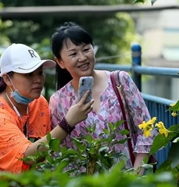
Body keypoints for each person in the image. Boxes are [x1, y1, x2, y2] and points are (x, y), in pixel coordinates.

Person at [0, 43, 94, 187]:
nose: (38, 79)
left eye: (40, 72)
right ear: (7, 79)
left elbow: (46, 149)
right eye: (28, 74)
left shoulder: (39, 104)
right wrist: (68, 123)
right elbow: (27, 157)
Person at [49, 22, 155, 172]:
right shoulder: (58, 101)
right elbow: (59, 153)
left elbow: (146, 130)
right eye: (73, 54)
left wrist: (136, 177)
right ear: (60, 62)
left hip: (129, 185)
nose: (82, 57)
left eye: (86, 49)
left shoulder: (120, 80)